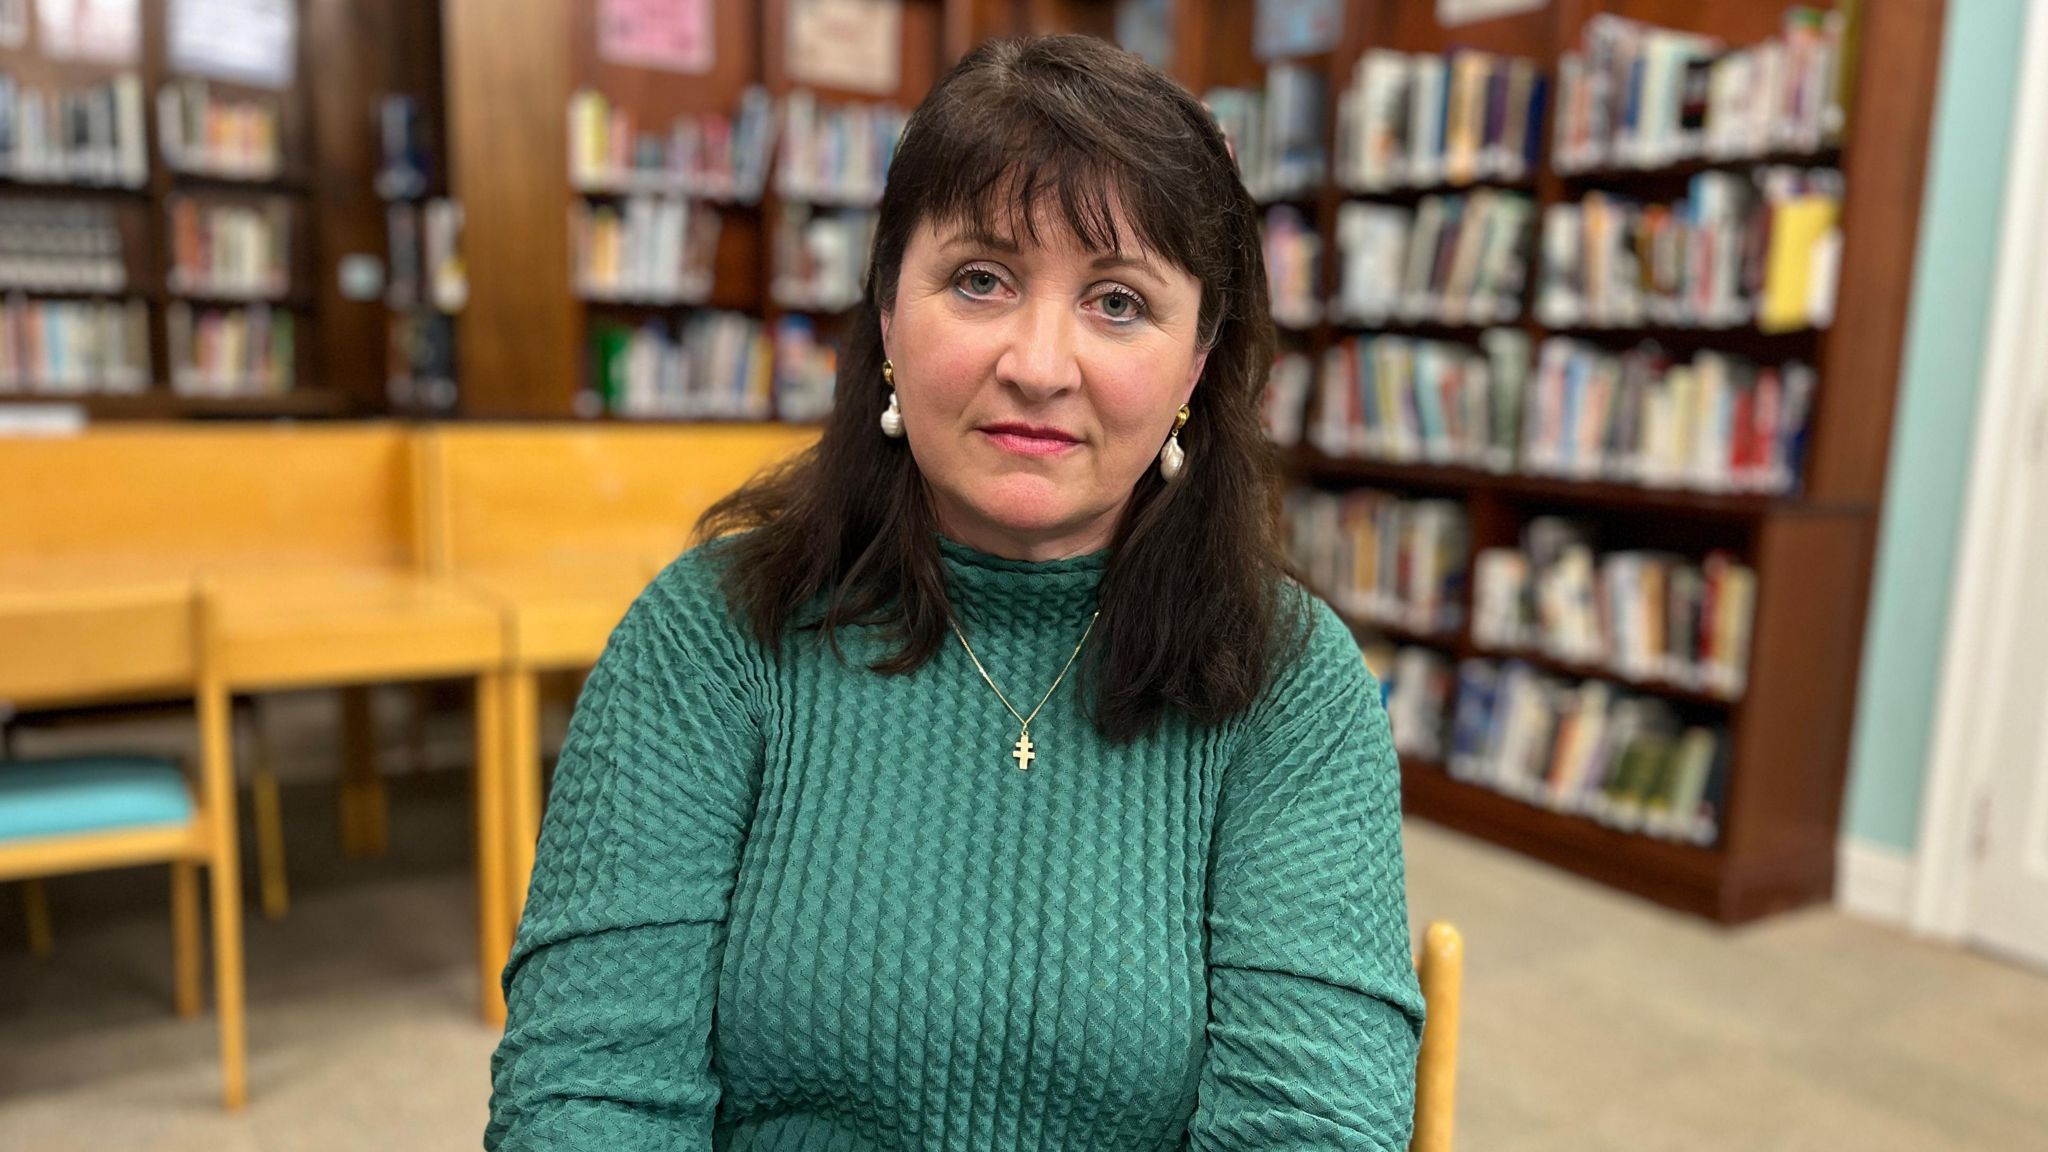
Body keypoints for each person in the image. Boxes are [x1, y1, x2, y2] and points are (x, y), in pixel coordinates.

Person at [487, 34, 1424, 1151]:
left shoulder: (1292, 683)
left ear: (1195, 365)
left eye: (1118, 302)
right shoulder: (706, 637)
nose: (1038, 362)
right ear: (887, 310)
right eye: (980, 280)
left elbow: (1308, 1127)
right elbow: (587, 1100)